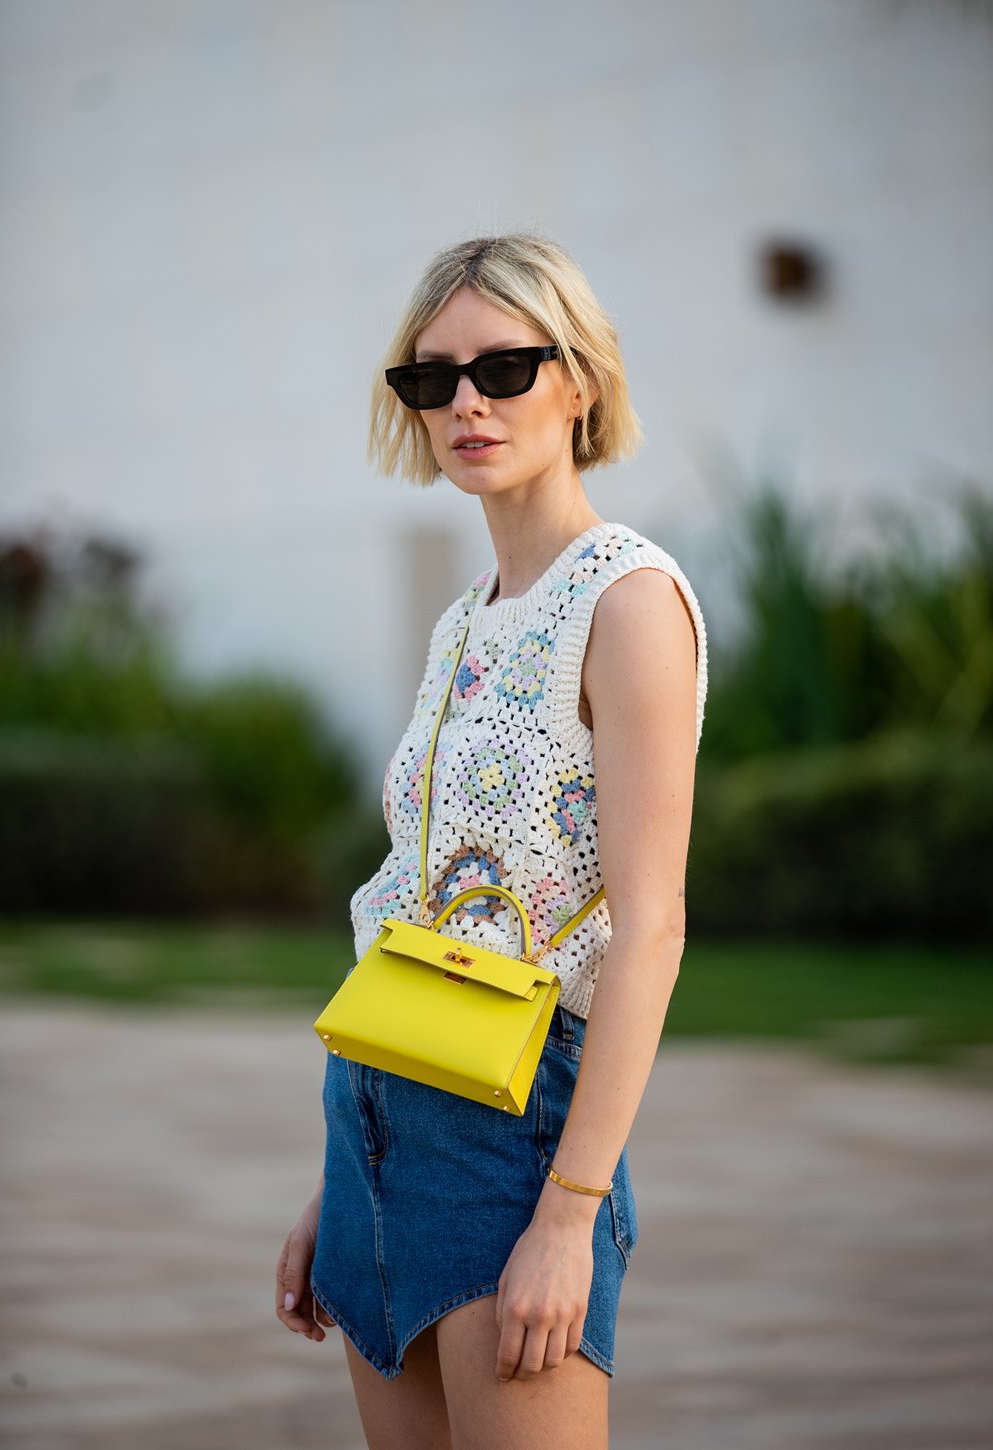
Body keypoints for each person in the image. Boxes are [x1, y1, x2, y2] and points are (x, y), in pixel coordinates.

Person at [276, 233, 708, 1450]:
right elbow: (419, 909)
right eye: (432, 380)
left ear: (576, 379)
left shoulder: (626, 602)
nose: (465, 401)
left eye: (503, 368)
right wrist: (336, 1176)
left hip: (513, 1135)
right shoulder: (461, 622)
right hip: (374, 1119)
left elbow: (653, 925)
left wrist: (568, 1214)